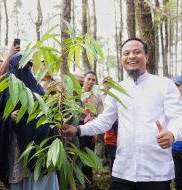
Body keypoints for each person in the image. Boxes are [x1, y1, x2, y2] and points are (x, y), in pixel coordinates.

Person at [61, 38, 182, 190]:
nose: (131, 56)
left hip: (156, 173)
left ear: (147, 56)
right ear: (121, 59)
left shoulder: (164, 85)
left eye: (137, 52)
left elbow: (178, 117)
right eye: (126, 53)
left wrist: (172, 134)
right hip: (123, 172)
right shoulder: (117, 89)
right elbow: (105, 121)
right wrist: (78, 130)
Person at [0, 53, 59, 189]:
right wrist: (8, 118)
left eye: (26, 67)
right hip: (15, 147)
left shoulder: (38, 90)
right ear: (12, 69)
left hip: (36, 147)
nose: (23, 72)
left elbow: (47, 120)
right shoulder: (6, 90)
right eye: (19, 68)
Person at [79, 71, 104, 187]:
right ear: (84, 79)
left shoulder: (97, 97)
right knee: (77, 152)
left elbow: (100, 116)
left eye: (93, 80)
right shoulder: (76, 93)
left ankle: (88, 179)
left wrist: (96, 133)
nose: (91, 82)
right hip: (77, 127)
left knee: (88, 154)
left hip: (91, 128)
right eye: (89, 79)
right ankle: (77, 178)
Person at [101, 77, 118, 171]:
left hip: (117, 123)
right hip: (105, 123)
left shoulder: (116, 94)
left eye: (110, 82)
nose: (108, 85)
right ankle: (110, 168)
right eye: (106, 83)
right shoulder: (101, 94)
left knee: (116, 146)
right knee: (109, 144)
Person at [171, 76, 182, 190]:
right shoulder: (170, 103)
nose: (175, 88)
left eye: (178, 85)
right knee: (178, 178)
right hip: (174, 148)